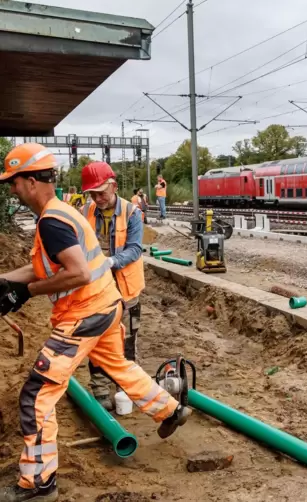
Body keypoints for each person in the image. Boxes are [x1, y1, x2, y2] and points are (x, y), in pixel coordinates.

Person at [0, 143, 190, 502]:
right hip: (107, 305)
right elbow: (46, 266)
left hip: (84, 315)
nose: (11, 189)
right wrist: (7, 281)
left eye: (13, 182)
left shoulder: (54, 220)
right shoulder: (63, 214)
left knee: (35, 395)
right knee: (117, 364)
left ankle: (39, 483)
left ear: (30, 181)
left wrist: (27, 292)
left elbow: (76, 271)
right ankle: (170, 409)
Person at [81, 163, 146, 411]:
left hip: (126, 290)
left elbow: (135, 249)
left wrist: (111, 261)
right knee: (96, 340)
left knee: (127, 343)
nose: (97, 199)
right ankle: (99, 393)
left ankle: (125, 390)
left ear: (114, 187)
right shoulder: (85, 212)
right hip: (96, 291)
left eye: (101, 193)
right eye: (93, 194)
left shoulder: (132, 212)